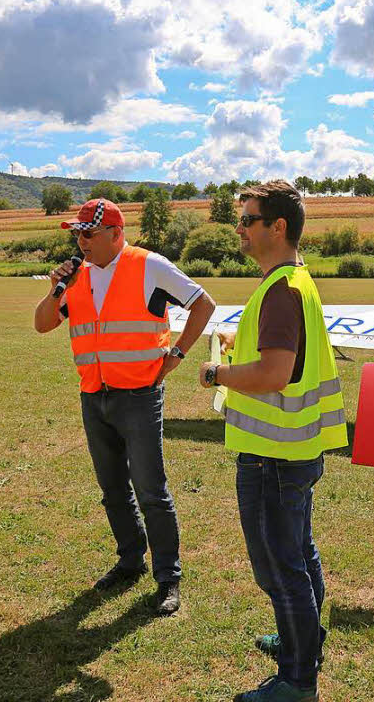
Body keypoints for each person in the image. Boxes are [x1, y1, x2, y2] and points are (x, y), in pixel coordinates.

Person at [199, 180, 347, 702]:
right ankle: (300, 640)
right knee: (298, 554)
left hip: (274, 457)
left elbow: (275, 373)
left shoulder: (282, 288)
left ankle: (297, 680)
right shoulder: (294, 281)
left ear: (277, 227)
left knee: (279, 566)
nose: (239, 228)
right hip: (295, 451)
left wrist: (219, 373)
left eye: (247, 219)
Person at [34, 198, 215, 616]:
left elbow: (202, 303)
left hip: (139, 396)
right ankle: (130, 560)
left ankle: (168, 577)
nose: (81, 242)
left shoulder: (149, 265)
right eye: (76, 234)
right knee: (113, 489)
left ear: (116, 234)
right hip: (94, 395)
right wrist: (53, 289)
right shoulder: (75, 275)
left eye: (88, 234)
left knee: (151, 490)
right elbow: (43, 324)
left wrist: (179, 353)